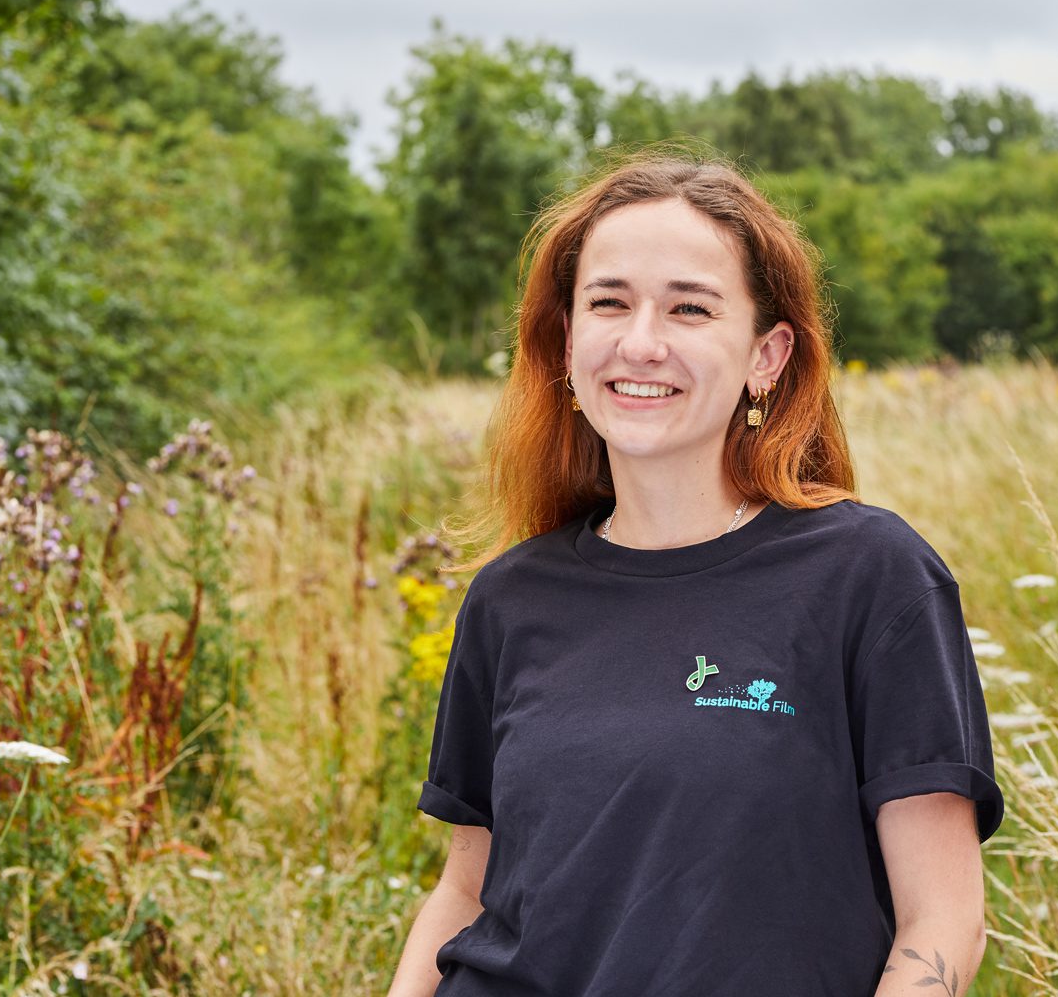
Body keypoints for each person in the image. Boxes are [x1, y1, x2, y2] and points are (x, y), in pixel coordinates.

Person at [387, 150, 1003, 997]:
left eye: (689, 308)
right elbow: (465, 890)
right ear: (569, 341)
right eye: (609, 302)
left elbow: (943, 922)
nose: (641, 342)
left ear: (767, 354)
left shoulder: (872, 576)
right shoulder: (510, 598)